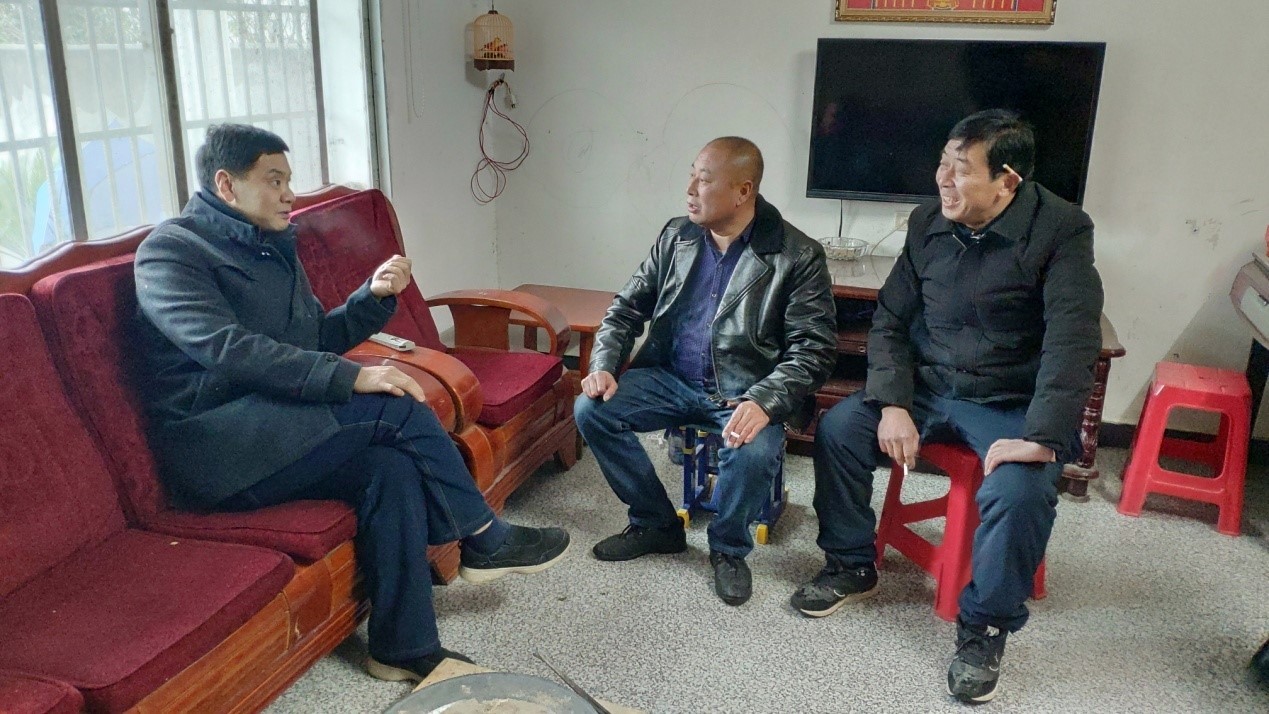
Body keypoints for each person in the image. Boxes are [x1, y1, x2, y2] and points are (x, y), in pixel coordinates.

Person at [133, 124, 570, 683]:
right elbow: (226, 348)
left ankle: (403, 647)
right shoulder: (170, 253)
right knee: (394, 404)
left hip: (279, 427)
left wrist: (372, 298)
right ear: (226, 184)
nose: (289, 194)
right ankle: (483, 536)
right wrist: (351, 378)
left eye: (289, 180)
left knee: (389, 469)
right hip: (221, 447)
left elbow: (314, 338)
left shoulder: (272, 244)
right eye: (274, 180)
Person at [790, 109, 1103, 703]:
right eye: (942, 163)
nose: (943, 180)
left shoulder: (1062, 230)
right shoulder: (928, 221)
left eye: (961, 170)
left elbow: (1073, 341)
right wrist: (892, 402)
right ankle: (851, 563)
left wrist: (1043, 437)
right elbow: (890, 318)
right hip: (929, 387)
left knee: (1021, 490)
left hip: (1008, 400)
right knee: (840, 428)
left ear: (1007, 181)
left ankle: (984, 626)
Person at [575, 136, 837, 607]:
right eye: (692, 175)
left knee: (754, 450)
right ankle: (656, 524)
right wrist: (604, 365)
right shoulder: (676, 237)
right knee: (591, 409)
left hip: (745, 391)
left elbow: (813, 350)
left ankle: (728, 549)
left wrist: (764, 401)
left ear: (743, 191)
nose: (691, 189)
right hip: (670, 378)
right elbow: (625, 308)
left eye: (705, 179)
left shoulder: (797, 255)